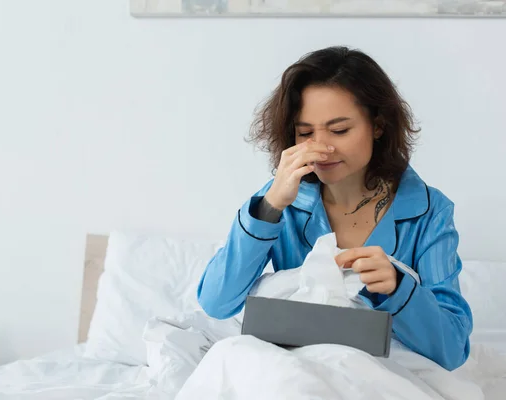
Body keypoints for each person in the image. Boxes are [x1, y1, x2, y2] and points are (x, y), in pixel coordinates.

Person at [196, 46, 473, 371]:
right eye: (305, 132)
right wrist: (271, 205)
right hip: (293, 372)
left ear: (378, 125)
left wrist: (399, 288)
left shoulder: (429, 211)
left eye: (340, 130)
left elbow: (452, 349)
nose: (322, 148)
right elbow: (217, 302)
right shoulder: (281, 200)